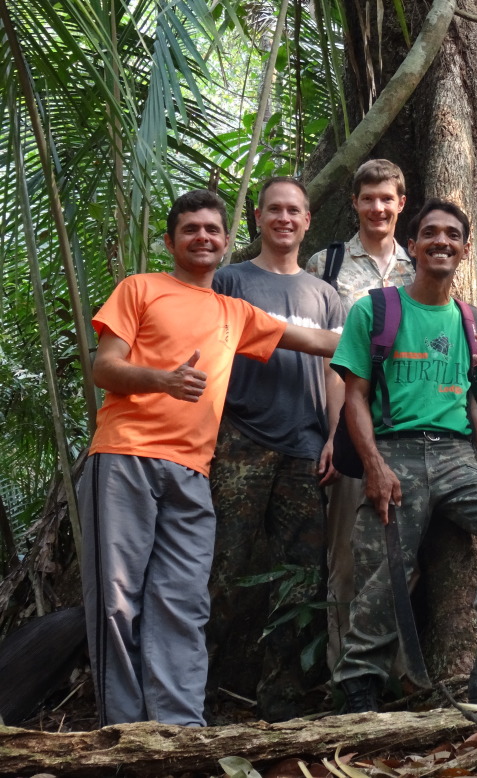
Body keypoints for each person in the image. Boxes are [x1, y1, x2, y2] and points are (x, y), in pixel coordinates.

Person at [79, 189, 340, 726]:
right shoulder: (141, 288)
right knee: (117, 598)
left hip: (193, 471)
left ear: (226, 242)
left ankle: (178, 727)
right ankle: (126, 730)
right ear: (172, 240)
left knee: (183, 600)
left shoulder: (234, 311)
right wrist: (162, 380)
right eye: (191, 229)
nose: (203, 237)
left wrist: (410, 322)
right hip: (126, 457)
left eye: (212, 230)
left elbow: (318, 342)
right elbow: (104, 367)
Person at [331, 198, 477, 712]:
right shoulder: (374, 309)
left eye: (452, 235)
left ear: (465, 250)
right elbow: (355, 394)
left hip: (457, 455)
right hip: (394, 449)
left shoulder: (472, 323)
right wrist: (374, 465)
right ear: (413, 246)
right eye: (430, 233)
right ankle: (359, 689)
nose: (441, 241)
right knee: (383, 568)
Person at [206, 177, 346, 721]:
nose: (285, 218)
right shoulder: (230, 279)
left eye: (295, 211)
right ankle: (198, 690)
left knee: (300, 573)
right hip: (240, 440)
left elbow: (337, 373)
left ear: (309, 220)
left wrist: (335, 436)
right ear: (258, 219)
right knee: (223, 566)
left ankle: (281, 696)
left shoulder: (326, 294)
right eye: (274, 210)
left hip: (306, 446)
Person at [305, 159, 415, 672]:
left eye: (386, 198)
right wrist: (333, 435)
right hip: (349, 424)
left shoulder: (421, 265)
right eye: (368, 198)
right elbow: (320, 360)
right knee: (347, 556)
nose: (378, 207)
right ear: (354, 203)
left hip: (411, 427)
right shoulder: (325, 265)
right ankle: (346, 677)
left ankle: (396, 677)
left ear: (401, 203)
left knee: (406, 552)